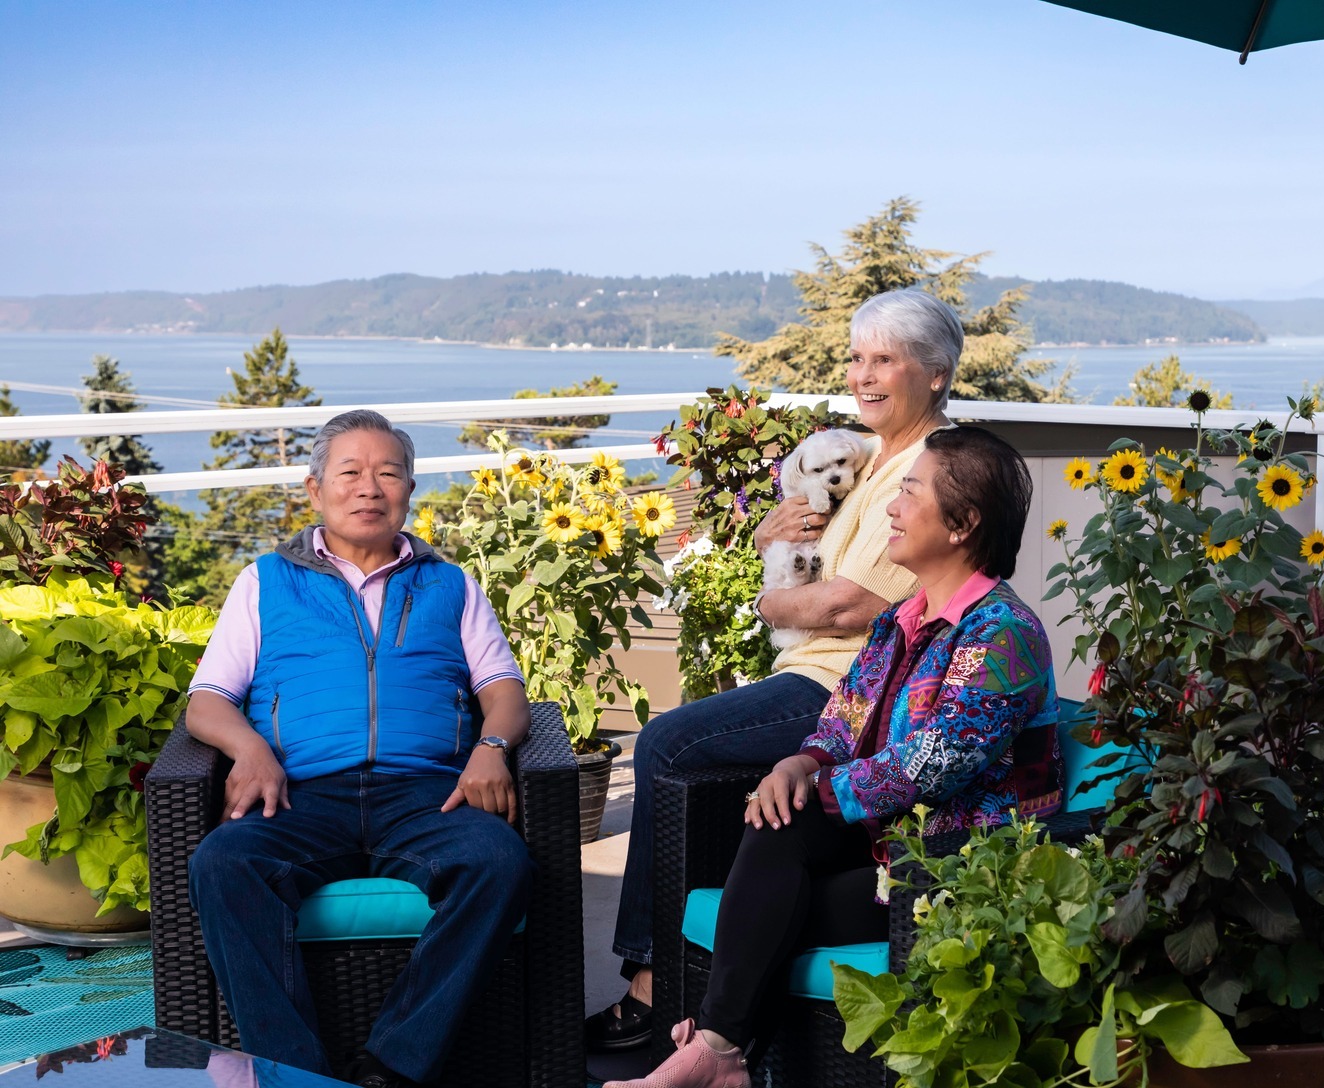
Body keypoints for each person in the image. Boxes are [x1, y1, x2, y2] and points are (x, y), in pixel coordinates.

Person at [607, 426, 1062, 1088]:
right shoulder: (902, 619)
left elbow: (936, 761)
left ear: (962, 523)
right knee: (777, 820)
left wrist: (824, 788)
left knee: (767, 912)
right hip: (886, 845)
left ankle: (717, 1050)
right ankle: (720, 1054)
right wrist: (801, 764)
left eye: (909, 491)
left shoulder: (1001, 632)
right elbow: (844, 713)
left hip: (954, 865)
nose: (891, 509)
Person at [587, 289, 964, 1052]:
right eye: (857, 357)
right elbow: (810, 550)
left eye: (884, 359)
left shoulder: (929, 471)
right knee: (690, 744)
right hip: (812, 668)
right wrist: (768, 528)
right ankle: (684, 969)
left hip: (849, 685)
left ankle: (653, 979)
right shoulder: (865, 456)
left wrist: (768, 601)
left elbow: (850, 605)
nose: (863, 374)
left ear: (935, 372)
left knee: (664, 743)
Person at [185, 410, 533, 1088]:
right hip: (301, 793)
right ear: (316, 490)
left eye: (387, 473)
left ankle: (393, 1065)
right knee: (224, 863)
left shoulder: (450, 583)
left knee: (497, 861)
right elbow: (207, 702)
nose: (369, 487)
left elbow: (506, 692)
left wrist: (492, 745)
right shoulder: (265, 581)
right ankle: (296, 1075)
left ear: (408, 492)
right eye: (350, 472)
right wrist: (250, 748)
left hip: (425, 795)